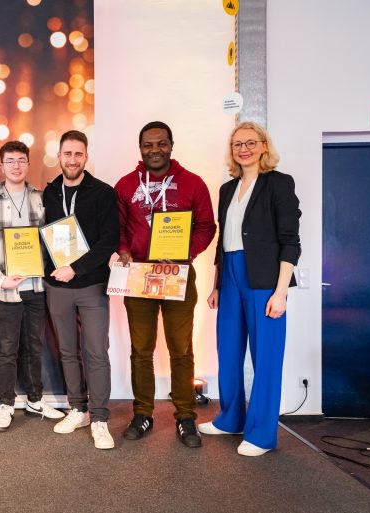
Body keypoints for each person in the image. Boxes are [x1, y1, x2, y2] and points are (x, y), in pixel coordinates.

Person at [202, 121, 301, 456]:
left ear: (263, 146)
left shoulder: (278, 184)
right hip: (229, 275)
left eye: (249, 142)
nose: (243, 149)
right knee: (227, 352)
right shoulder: (227, 190)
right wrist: (216, 285)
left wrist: (281, 292)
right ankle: (231, 419)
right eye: (236, 144)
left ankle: (260, 435)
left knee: (267, 358)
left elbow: (290, 242)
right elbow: (222, 242)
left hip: (265, 279)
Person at [114, 121, 215, 448]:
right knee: (141, 352)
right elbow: (118, 226)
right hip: (139, 277)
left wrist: (186, 252)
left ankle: (186, 416)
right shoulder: (126, 185)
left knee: (181, 350)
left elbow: (205, 226)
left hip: (178, 276)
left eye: (160, 144)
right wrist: (125, 250)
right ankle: (142, 413)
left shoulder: (193, 184)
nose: (154, 150)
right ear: (140, 148)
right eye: (148, 145)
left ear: (171, 145)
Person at [0, 140, 64, 432]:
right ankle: (6, 404)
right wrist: (1, 279)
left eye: (21, 160)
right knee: (7, 348)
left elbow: (52, 239)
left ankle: (35, 399)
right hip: (5, 289)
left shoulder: (41, 199)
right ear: (1, 166)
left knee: (34, 346)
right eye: (10, 161)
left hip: (36, 286)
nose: (16, 166)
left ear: (28, 163)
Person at [42, 130, 119, 449]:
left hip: (91, 284)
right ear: (58, 157)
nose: (72, 160)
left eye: (78, 154)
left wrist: (76, 267)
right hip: (56, 286)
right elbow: (39, 234)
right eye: (67, 154)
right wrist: (50, 270)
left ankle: (100, 418)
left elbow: (109, 241)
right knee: (67, 350)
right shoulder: (48, 193)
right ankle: (78, 409)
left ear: (86, 157)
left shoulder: (103, 193)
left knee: (96, 351)